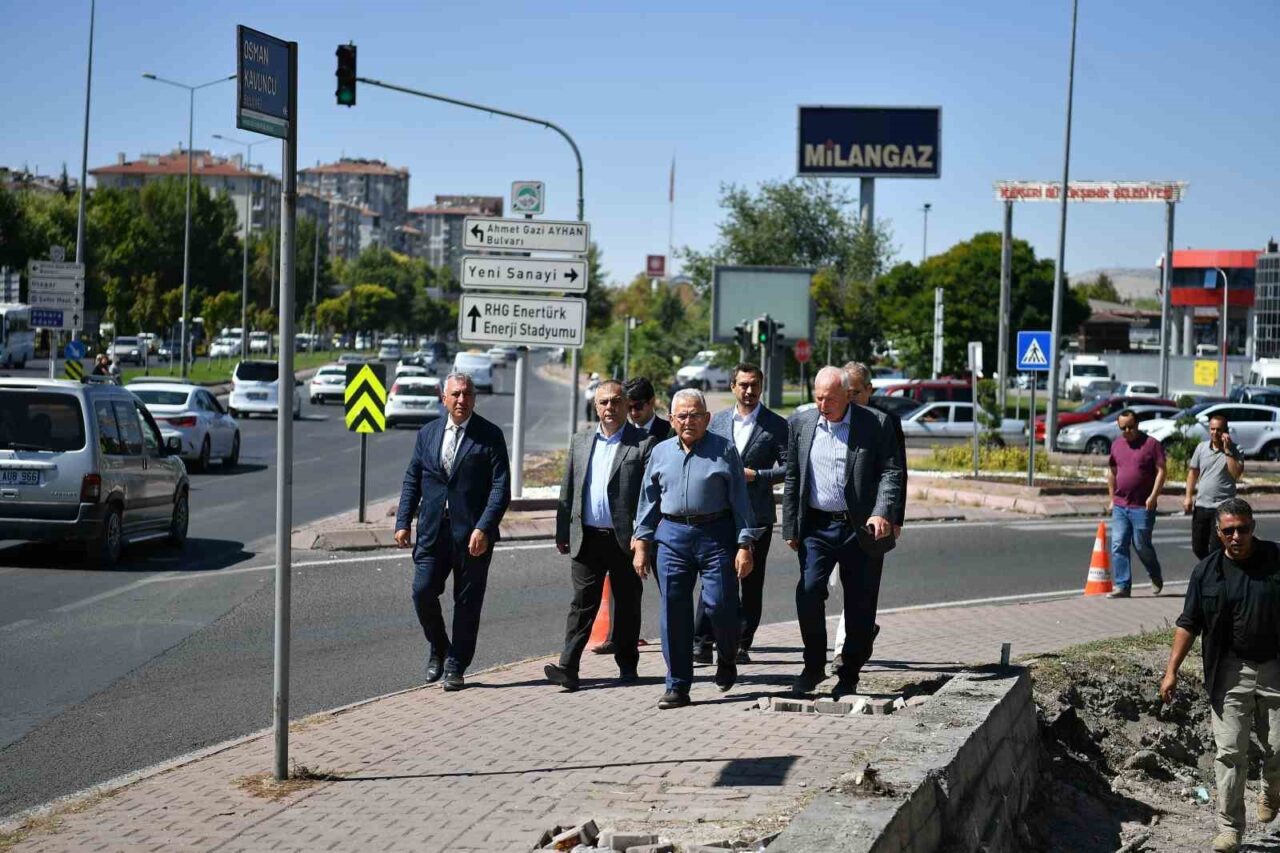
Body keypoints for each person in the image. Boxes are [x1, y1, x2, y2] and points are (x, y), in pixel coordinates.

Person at [1160, 498, 1280, 853]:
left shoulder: (1275, 559)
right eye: (1229, 531)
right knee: (1230, 752)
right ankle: (1230, 828)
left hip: (1275, 667)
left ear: (1253, 527)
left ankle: (1272, 789)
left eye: (1243, 529)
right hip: (1229, 671)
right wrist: (1171, 671)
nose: (1236, 536)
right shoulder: (1207, 572)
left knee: (1278, 747)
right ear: (1218, 532)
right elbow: (1188, 623)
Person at [783, 366, 904, 699]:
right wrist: (791, 525)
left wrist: (883, 512)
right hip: (816, 527)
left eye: (831, 399)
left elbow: (891, 472)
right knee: (808, 591)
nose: (824, 405)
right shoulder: (801, 424)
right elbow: (794, 476)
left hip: (860, 527)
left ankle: (849, 673)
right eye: (819, 398)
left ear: (847, 395)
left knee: (860, 604)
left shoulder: (875, 424)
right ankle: (812, 666)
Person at [633, 387, 757, 709]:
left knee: (721, 605)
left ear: (707, 418)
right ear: (672, 419)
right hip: (672, 537)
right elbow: (648, 501)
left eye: (695, 415)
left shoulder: (724, 450)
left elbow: (740, 500)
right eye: (682, 416)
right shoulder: (660, 452)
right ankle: (677, 685)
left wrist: (744, 544)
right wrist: (642, 544)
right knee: (673, 611)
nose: (689, 421)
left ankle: (726, 657)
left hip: (716, 535)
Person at [394, 372, 511, 692]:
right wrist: (403, 521)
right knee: (422, 591)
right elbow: (413, 478)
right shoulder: (428, 433)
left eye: (467, 394)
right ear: (443, 398)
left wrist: (484, 527)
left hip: (473, 536)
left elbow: (500, 488)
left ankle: (456, 665)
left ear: (474, 398)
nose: (461, 400)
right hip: (433, 532)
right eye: (456, 394)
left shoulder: (490, 435)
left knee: (467, 603)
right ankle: (439, 646)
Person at [545, 379, 656, 692]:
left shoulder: (643, 443)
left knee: (627, 604)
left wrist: (643, 539)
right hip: (587, 537)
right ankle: (568, 667)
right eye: (604, 402)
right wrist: (562, 530)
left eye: (616, 401)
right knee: (582, 603)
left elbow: (649, 497)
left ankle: (627, 665)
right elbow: (568, 488)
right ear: (595, 407)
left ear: (626, 405)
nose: (610, 407)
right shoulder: (581, 441)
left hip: (625, 540)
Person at [693, 363, 788, 665]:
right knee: (714, 577)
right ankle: (702, 642)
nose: (749, 391)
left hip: (757, 516)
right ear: (733, 386)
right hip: (719, 514)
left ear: (762, 387)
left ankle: (741, 643)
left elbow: (790, 468)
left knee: (750, 582)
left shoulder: (776, 424)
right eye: (743, 385)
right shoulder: (718, 422)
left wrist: (758, 476)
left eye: (754, 385)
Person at [831, 361, 908, 674]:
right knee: (831, 584)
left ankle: (843, 650)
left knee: (859, 587)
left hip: (871, 520)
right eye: (844, 392)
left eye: (855, 393)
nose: (849, 399)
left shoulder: (884, 421)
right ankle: (862, 630)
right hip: (832, 521)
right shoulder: (832, 416)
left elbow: (897, 471)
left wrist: (895, 516)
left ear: (869, 390)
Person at [1106, 409, 1167, 598]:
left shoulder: (1151, 444)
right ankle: (1123, 585)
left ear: (1138, 424)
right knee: (1118, 544)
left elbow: (1162, 471)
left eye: (1130, 427)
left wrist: (1153, 496)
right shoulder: (1116, 445)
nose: (1127, 431)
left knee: (1141, 545)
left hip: (1142, 506)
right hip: (1121, 505)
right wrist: (1112, 499)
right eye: (1123, 428)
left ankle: (1154, 573)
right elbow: (1112, 472)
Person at [1184, 413, 1245, 559]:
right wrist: (1188, 497)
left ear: (1225, 431)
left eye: (1219, 430)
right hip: (1201, 505)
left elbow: (1235, 473)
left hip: (1223, 508)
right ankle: (1212, 567)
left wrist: (1228, 450)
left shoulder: (1236, 449)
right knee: (1198, 547)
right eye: (1212, 429)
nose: (1215, 433)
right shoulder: (1201, 448)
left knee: (1216, 549)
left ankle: (1214, 570)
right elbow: (1192, 474)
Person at [624, 376, 673, 441]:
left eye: (638, 406)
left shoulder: (670, 432)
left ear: (652, 402)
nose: (633, 412)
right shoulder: (623, 434)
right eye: (629, 407)